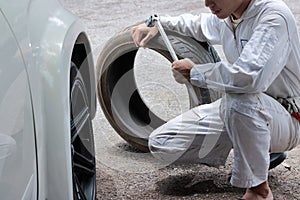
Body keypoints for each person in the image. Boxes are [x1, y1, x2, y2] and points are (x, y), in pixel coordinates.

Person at [131, 0, 300, 199]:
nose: (207, 2)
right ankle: (258, 151)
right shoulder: (230, 15)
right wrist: (157, 24)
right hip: (246, 112)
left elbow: (248, 78)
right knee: (163, 143)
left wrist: (195, 72)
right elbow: (197, 25)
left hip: (287, 117)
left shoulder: (273, 16)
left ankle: (258, 190)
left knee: (238, 98)